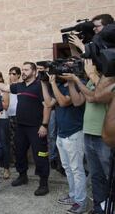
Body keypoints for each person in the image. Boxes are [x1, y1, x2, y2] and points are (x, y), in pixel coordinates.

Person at [0, 62, 50, 196]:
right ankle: (23, 176)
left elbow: (47, 105)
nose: (23, 72)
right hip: (21, 126)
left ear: (34, 72)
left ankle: (43, 183)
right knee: (19, 153)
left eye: (26, 70)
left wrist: (44, 125)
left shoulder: (40, 86)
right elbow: (5, 87)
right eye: (22, 70)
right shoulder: (20, 86)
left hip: (36, 127)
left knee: (40, 155)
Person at [62, 61, 111, 214]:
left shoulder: (108, 80)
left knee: (109, 176)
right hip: (89, 133)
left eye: (90, 62)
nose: (86, 65)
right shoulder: (91, 80)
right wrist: (71, 82)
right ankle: (99, 209)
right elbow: (78, 102)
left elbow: (94, 98)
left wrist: (77, 79)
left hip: (103, 136)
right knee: (96, 177)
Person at [42, 74, 87, 213]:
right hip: (61, 134)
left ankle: (81, 202)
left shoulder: (80, 84)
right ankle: (73, 195)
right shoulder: (61, 86)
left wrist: (53, 83)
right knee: (68, 167)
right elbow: (49, 103)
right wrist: (44, 83)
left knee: (77, 169)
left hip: (74, 133)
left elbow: (63, 102)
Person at [7, 66, 21, 165]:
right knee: (11, 138)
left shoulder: (21, 86)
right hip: (9, 115)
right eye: (10, 73)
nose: (11, 75)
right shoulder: (7, 86)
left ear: (19, 75)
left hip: (18, 115)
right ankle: (13, 159)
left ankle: (18, 159)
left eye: (14, 74)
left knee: (17, 138)